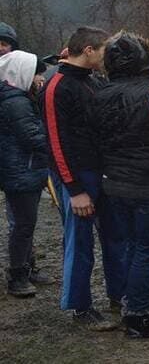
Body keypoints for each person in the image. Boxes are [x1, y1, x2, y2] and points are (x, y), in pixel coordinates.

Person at [89, 31, 149, 338]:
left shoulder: (99, 92)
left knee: (131, 247)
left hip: (115, 184)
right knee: (148, 253)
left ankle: (135, 300)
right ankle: (138, 315)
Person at [40, 26, 126, 331]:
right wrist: (74, 190)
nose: (107, 56)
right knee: (80, 243)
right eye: (103, 50)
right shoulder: (56, 85)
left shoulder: (93, 80)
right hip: (78, 177)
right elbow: (55, 143)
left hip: (104, 174)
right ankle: (80, 306)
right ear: (88, 50)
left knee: (116, 237)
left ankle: (121, 295)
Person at [0, 51, 53, 297]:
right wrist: (55, 135)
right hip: (20, 171)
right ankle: (18, 276)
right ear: (22, 73)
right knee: (23, 225)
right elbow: (32, 137)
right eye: (36, 74)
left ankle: (28, 268)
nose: (40, 79)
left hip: (24, 169)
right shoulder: (16, 102)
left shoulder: (18, 97)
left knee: (26, 225)